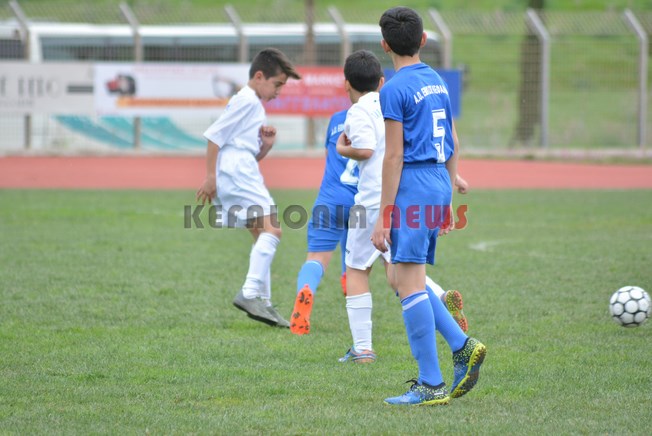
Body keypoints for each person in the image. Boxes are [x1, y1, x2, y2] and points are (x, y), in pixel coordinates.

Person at [372, 7, 486, 405]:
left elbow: (393, 157)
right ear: (422, 41)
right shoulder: (437, 80)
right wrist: (448, 196)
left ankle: (431, 383)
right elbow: (453, 140)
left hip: (414, 185)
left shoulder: (393, 89)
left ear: (385, 45)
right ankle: (462, 346)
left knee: (407, 286)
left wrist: (384, 216)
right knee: (404, 280)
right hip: (437, 180)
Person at [289, 104, 471, 336]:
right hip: (371, 199)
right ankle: (439, 296)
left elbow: (330, 156)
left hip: (332, 198)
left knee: (319, 258)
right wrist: (453, 176)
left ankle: (308, 289)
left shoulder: (337, 119)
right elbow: (405, 154)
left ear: (349, 87)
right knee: (399, 272)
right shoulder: (388, 118)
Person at [196, 48, 301, 328]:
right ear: (259, 76)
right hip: (237, 171)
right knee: (273, 230)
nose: (278, 91)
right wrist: (210, 177)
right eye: (277, 84)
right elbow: (214, 137)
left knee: (260, 234)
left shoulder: (251, 102)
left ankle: (263, 302)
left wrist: (265, 145)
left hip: (240, 168)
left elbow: (245, 151)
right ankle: (250, 292)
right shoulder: (247, 101)